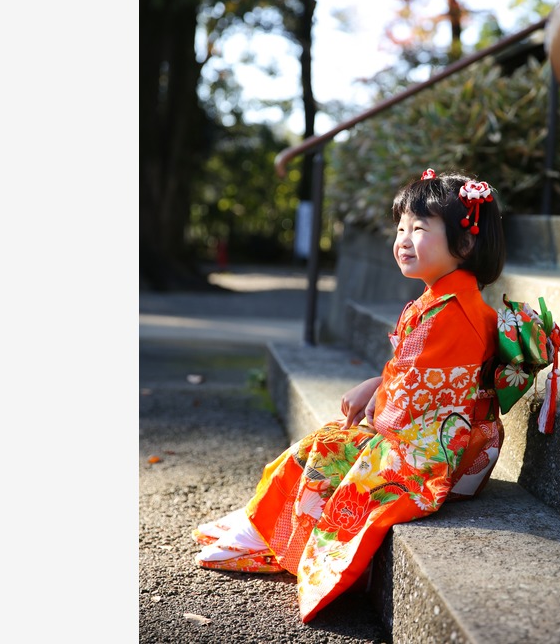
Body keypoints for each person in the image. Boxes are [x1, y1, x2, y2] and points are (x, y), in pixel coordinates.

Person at [192, 168, 507, 622]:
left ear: (466, 242)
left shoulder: (450, 312)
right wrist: (375, 385)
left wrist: (378, 407)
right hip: (447, 438)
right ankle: (260, 524)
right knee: (330, 441)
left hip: (439, 456)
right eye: (401, 228)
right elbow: (417, 380)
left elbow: (407, 408)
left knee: (332, 447)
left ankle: (270, 535)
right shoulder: (449, 301)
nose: (403, 238)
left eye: (420, 229)